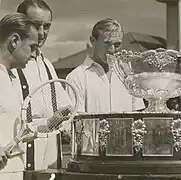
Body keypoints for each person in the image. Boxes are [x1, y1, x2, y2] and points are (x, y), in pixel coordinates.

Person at [66, 18, 145, 153]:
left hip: (126, 155)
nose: (112, 50)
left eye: (117, 44)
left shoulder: (128, 75)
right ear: (93, 41)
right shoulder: (76, 77)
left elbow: (138, 116)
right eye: (107, 43)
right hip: (91, 157)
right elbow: (72, 124)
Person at [12, 0, 71, 170]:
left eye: (47, 26)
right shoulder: (8, 67)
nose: (42, 32)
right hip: (19, 163)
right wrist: (49, 122)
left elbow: (64, 108)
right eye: (36, 25)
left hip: (50, 162)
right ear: (19, 23)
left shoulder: (47, 64)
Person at [0, 13, 38, 179]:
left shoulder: (13, 78)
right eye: (32, 47)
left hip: (15, 171)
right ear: (14, 41)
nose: (34, 54)